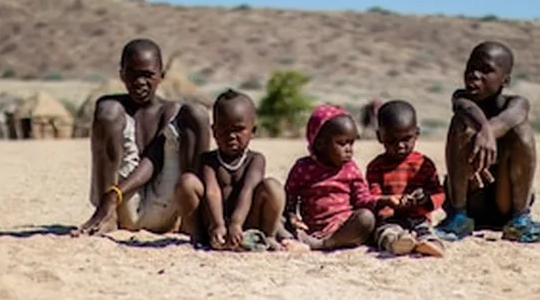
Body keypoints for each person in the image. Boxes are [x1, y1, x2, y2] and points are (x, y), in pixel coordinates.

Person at [72, 38, 210, 236]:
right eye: (133, 74)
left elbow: (153, 162)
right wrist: (111, 197)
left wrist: (115, 194)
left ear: (161, 76)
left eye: (148, 75)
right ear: (122, 75)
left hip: (165, 205)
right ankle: (107, 219)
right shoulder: (115, 109)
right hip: (120, 207)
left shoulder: (170, 111)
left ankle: (192, 217)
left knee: (196, 114)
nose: (140, 82)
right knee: (107, 110)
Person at [435, 41, 540, 243]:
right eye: (471, 68)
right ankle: (458, 217)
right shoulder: (461, 98)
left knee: (521, 128)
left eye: (486, 70)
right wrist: (484, 129)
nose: (474, 74)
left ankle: (520, 221)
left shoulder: (516, 103)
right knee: (461, 122)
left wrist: (488, 132)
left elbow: (512, 116)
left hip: (505, 200)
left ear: (505, 80)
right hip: (472, 197)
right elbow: (466, 108)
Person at [175, 89, 302, 251]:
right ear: (214, 131)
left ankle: (268, 236)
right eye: (224, 129)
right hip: (214, 222)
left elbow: (247, 190)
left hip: (247, 223)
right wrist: (218, 224)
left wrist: (236, 223)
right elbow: (212, 192)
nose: (231, 136)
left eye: (239, 129)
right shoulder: (208, 160)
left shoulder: (255, 160)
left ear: (252, 132)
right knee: (187, 182)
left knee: (273, 187)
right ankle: (198, 236)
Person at [284, 105, 376, 250]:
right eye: (342, 143)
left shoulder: (350, 168)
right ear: (320, 144)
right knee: (279, 226)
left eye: (351, 142)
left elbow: (362, 199)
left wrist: (384, 200)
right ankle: (321, 242)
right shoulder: (303, 168)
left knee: (366, 218)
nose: (349, 149)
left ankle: (326, 243)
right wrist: (291, 216)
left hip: (344, 227)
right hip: (311, 230)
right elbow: (290, 196)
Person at [365, 100, 446, 257]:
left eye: (406, 139)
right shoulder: (376, 166)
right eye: (392, 140)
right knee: (386, 233)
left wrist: (426, 199)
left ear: (417, 134)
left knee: (426, 232)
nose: (400, 145)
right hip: (390, 218)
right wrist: (388, 200)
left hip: (419, 217)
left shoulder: (424, 164)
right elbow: (371, 196)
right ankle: (397, 244)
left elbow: (438, 192)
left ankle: (429, 245)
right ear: (380, 136)